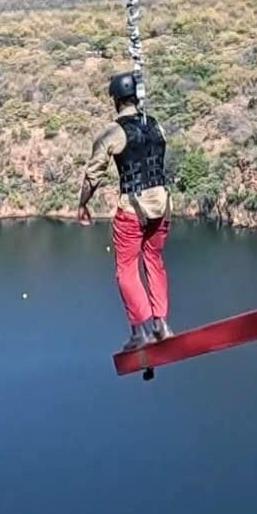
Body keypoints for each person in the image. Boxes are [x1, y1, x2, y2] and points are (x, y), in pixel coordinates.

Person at [77, 72, 174, 351]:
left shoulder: (113, 132)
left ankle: (140, 332)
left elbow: (93, 175)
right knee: (154, 261)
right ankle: (162, 326)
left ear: (116, 100)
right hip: (163, 205)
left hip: (133, 208)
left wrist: (83, 204)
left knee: (126, 270)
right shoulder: (155, 125)